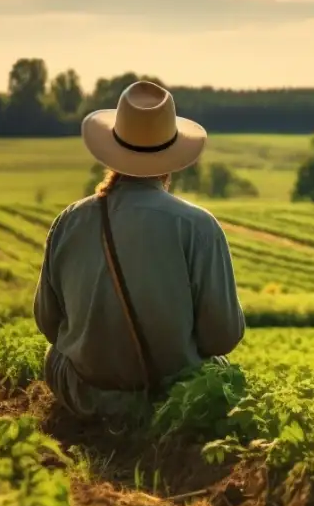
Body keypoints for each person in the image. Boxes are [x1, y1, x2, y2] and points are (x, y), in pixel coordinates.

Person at [33, 80, 245, 420]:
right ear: (172, 160)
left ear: (112, 151)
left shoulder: (69, 220)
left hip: (84, 393)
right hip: (171, 401)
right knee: (223, 370)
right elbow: (222, 337)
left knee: (53, 356)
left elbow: (47, 322)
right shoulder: (199, 227)